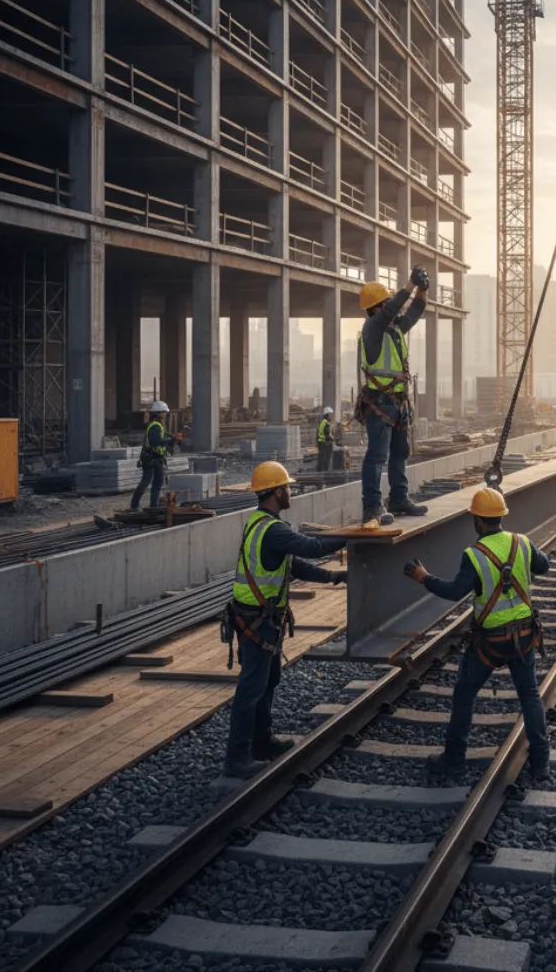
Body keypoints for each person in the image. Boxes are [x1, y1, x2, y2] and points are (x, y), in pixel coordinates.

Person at [404, 488, 551, 779]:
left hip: (491, 642)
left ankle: (454, 758)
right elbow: (543, 565)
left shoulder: (474, 554)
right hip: (522, 637)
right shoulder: (521, 542)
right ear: (500, 517)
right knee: (530, 696)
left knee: (464, 694)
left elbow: (455, 591)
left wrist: (425, 578)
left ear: (479, 522)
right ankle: (541, 763)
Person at [223, 461, 348, 778]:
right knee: (250, 690)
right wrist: (351, 536)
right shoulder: (273, 530)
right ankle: (237, 760)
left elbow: (296, 566)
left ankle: (262, 742)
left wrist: (334, 576)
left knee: (269, 680)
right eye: (288, 488)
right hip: (257, 622)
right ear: (277, 492)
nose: (290, 492)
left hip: (264, 619)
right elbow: (314, 547)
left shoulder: (262, 523)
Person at [358, 268, 430, 523]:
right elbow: (394, 308)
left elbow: (414, 311)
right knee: (377, 455)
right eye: (386, 302)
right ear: (376, 307)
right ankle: (372, 506)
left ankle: (398, 497)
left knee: (401, 451)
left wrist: (422, 291)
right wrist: (410, 285)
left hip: (397, 403)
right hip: (380, 402)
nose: (391, 306)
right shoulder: (372, 329)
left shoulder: (393, 330)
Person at [130, 400, 173, 510]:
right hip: (150, 458)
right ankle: (134, 505)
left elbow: (161, 438)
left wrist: (171, 439)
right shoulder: (155, 426)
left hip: (156, 458)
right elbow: (156, 441)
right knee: (146, 482)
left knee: (158, 482)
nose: (166, 415)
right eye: (164, 412)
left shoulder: (158, 425)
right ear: (159, 413)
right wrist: (169, 441)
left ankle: (154, 506)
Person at [316, 406, 335, 471]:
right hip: (324, 444)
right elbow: (321, 433)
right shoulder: (324, 422)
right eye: (331, 415)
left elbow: (329, 433)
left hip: (327, 443)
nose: (332, 416)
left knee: (328, 459)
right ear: (327, 415)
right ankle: (321, 473)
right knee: (323, 459)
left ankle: (326, 471)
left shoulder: (328, 423)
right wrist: (326, 441)